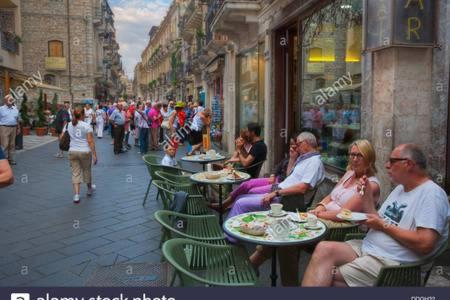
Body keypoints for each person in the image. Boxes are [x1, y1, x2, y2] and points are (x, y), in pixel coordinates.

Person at [302, 144, 450, 287]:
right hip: (368, 247)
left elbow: (425, 244)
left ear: (408, 164)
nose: (386, 165)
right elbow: (377, 220)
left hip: (391, 262)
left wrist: (383, 226)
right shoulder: (400, 189)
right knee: (323, 248)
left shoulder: (432, 194)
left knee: (324, 274)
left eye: (392, 161)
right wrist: (366, 197)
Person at [250, 139, 380, 286]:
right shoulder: (350, 173)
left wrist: (317, 214)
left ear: (369, 157)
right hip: (324, 216)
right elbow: (330, 196)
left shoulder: (371, 184)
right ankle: (269, 272)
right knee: (284, 229)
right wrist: (319, 206)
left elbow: (344, 213)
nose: (354, 159)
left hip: (344, 225)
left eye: (359, 155)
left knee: (288, 233)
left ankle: (255, 265)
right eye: (352, 155)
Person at [225, 132, 325, 220]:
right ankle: (244, 230)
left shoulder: (314, 162)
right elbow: (288, 176)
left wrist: (275, 193)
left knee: (240, 203)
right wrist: (292, 158)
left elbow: (302, 188)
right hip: (281, 192)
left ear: (306, 143)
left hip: (287, 199)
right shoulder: (304, 159)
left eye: (298, 144)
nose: (297, 147)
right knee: (241, 197)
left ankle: (229, 236)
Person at [210, 135, 299, 212]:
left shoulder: (258, 146)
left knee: (249, 190)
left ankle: (230, 204)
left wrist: (239, 150)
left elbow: (245, 163)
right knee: (245, 184)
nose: (291, 147)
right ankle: (226, 203)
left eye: (294, 145)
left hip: (252, 172)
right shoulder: (250, 145)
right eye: (290, 144)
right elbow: (278, 166)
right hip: (275, 178)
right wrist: (272, 175)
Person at [63, 107, 97, 203]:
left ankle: (76, 195)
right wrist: (94, 155)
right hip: (85, 151)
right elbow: (90, 141)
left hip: (73, 151)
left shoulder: (69, 125)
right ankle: (89, 189)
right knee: (87, 170)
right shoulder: (86, 126)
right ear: (82, 115)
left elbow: (62, 136)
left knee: (75, 173)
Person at [0, 96, 20, 165]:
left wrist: (18, 128)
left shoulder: (15, 109)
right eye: (10, 100)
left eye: (12, 100)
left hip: (13, 128)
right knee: (5, 144)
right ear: (5, 101)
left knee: (12, 145)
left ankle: (11, 160)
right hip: (4, 128)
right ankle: (3, 161)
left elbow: (17, 119)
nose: (11, 101)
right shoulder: (1, 109)